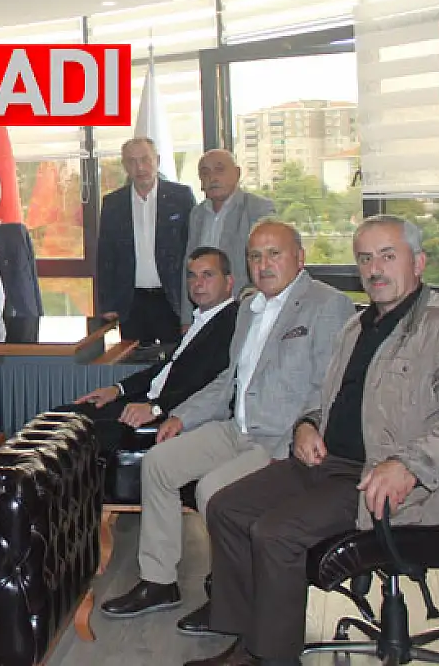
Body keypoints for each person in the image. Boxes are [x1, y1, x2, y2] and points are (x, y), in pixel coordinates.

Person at [188, 215, 439, 666]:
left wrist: (409, 464)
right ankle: (247, 639)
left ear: (418, 262)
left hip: (390, 478)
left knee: (276, 532)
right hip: (328, 463)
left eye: (387, 256)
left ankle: (270, 657)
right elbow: (328, 398)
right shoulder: (357, 326)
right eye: (365, 259)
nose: (375, 269)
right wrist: (307, 425)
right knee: (226, 508)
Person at [99, 219, 354, 628]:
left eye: (274, 254)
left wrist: (307, 426)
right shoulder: (250, 308)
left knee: (214, 490)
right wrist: (182, 415)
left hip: (282, 440)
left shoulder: (327, 304)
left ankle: (228, 596)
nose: (264, 264)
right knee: (159, 463)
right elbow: (227, 380)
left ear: (300, 258)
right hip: (237, 428)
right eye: (255, 256)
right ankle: (159, 581)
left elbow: (331, 384)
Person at [58, 246, 237, 461]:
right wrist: (117, 389)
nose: (197, 283)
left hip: (166, 414)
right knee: (61, 418)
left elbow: (205, 385)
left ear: (229, 282)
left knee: (67, 431)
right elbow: (165, 369)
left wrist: (155, 409)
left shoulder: (230, 323)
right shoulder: (202, 319)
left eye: (207, 275)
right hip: (146, 401)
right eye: (192, 276)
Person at [95, 137, 196, 345]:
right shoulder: (113, 203)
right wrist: (107, 303)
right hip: (132, 301)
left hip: (172, 298)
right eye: (132, 161)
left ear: (157, 160)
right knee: (135, 360)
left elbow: (193, 247)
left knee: (177, 358)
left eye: (145, 159)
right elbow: (106, 256)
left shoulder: (181, 197)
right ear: (124, 166)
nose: (139, 167)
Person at [185, 150, 275, 323]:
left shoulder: (258, 209)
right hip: (204, 312)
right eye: (205, 172)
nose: (212, 177)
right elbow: (188, 265)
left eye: (219, 170)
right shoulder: (197, 214)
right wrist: (186, 318)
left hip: (245, 310)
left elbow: (269, 263)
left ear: (237, 173)